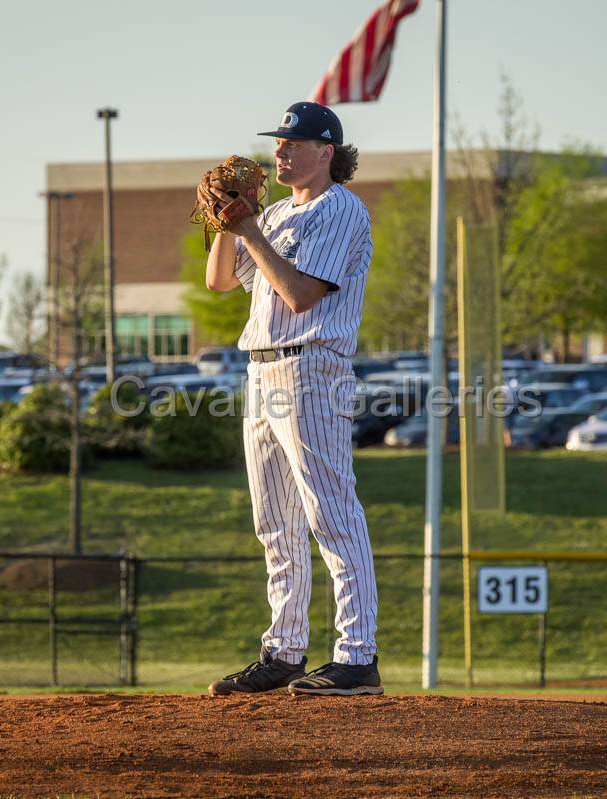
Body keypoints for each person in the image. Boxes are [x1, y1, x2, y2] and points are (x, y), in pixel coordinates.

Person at [203, 101, 380, 696]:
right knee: (274, 522)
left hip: (312, 367)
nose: (279, 151)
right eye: (278, 142)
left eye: (293, 142)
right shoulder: (276, 213)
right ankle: (283, 651)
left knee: (330, 513)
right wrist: (229, 228)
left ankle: (357, 656)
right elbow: (222, 283)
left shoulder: (340, 208)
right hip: (261, 370)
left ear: (326, 151)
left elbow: (300, 294)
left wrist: (251, 229)